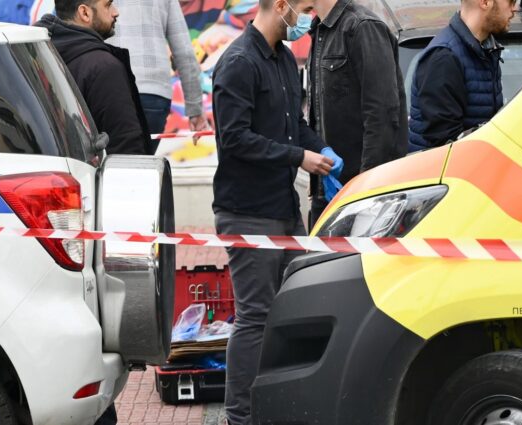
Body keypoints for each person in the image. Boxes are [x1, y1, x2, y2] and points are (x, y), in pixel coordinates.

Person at [210, 0, 341, 422]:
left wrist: (320, 148)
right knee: (255, 317)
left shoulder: (284, 60)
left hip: (284, 207)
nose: (308, 18)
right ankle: (241, 416)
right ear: (280, 6)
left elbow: (293, 126)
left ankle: (281, 405)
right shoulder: (238, 63)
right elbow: (235, 140)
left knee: (294, 310)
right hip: (247, 211)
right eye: (304, 8)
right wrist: (299, 157)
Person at [306, 0, 408, 222]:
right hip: (328, 192)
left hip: (359, 197)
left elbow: (382, 117)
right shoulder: (319, 31)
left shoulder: (362, 26)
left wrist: (365, 193)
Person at [36, 0, 154, 155]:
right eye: (108, 5)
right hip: (97, 169)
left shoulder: (37, 54)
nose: (115, 12)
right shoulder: (104, 67)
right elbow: (125, 144)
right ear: (85, 13)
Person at [408, 0, 518, 152]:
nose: (515, 8)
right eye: (511, 1)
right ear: (485, 2)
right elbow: (445, 144)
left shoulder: (485, 50)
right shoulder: (444, 57)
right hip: (448, 166)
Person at [106, 0, 210, 138]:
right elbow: (184, 51)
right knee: (145, 151)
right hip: (154, 93)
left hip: (108, 88)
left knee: (112, 150)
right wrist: (195, 108)